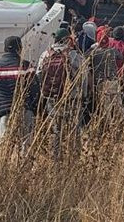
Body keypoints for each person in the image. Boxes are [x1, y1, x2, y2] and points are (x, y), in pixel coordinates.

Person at [0, 36, 39, 150]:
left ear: (4, 49)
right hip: (25, 110)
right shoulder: (26, 66)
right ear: (20, 49)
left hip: (5, 112)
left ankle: (4, 162)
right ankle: (23, 162)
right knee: (25, 145)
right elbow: (35, 90)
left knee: (4, 145)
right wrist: (37, 110)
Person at [36, 28, 84, 159]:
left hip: (52, 97)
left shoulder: (46, 54)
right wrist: (83, 94)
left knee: (56, 128)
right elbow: (83, 75)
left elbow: (38, 75)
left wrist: (44, 92)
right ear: (67, 39)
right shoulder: (73, 55)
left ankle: (55, 157)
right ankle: (74, 157)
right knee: (74, 128)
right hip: (71, 97)